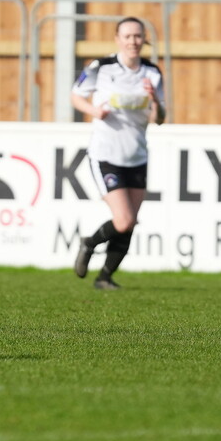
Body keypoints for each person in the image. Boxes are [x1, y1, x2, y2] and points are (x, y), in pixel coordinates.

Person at [70, 16, 166, 290]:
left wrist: (155, 100)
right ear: (118, 39)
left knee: (130, 222)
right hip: (106, 154)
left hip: (137, 155)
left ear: (143, 39)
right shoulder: (101, 67)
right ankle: (89, 243)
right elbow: (76, 95)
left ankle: (104, 277)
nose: (133, 42)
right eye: (128, 36)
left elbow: (159, 119)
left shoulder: (152, 72)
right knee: (123, 220)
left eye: (138, 36)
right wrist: (94, 111)